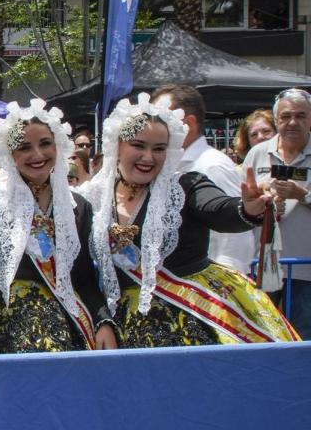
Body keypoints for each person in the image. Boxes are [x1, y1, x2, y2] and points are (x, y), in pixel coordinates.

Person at [84, 93, 298, 347]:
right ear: (117, 145)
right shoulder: (92, 197)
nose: (149, 157)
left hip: (194, 313)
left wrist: (248, 209)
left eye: (159, 149)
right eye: (139, 146)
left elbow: (220, 210)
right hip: (123, 322)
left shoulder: (185, 185)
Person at [0, 99, 115, 354]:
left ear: (58, 146)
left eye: (45, 144)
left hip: (64, 320)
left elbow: (82, 277)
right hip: (6, 323)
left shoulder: (78, 206)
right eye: (24, 147)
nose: (37, 155)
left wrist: (103, 320)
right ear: (10, 153)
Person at [153, 84, 254, 275]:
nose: (152, 126)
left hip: (204, 291)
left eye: (160, 120)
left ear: (188, 124)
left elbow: (235, 243)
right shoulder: (172, 165)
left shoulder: (212, 166)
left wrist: (221, 296)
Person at [243, 88, 311, 340]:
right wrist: (260, 195)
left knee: (302, 338)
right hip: (261, 267)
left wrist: (302, 194)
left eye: (300, 116)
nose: (292, 122)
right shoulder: (258, 153)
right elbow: (239, 201)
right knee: (260, 336)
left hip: (305, 272)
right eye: (285, 116)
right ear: (277, 119)